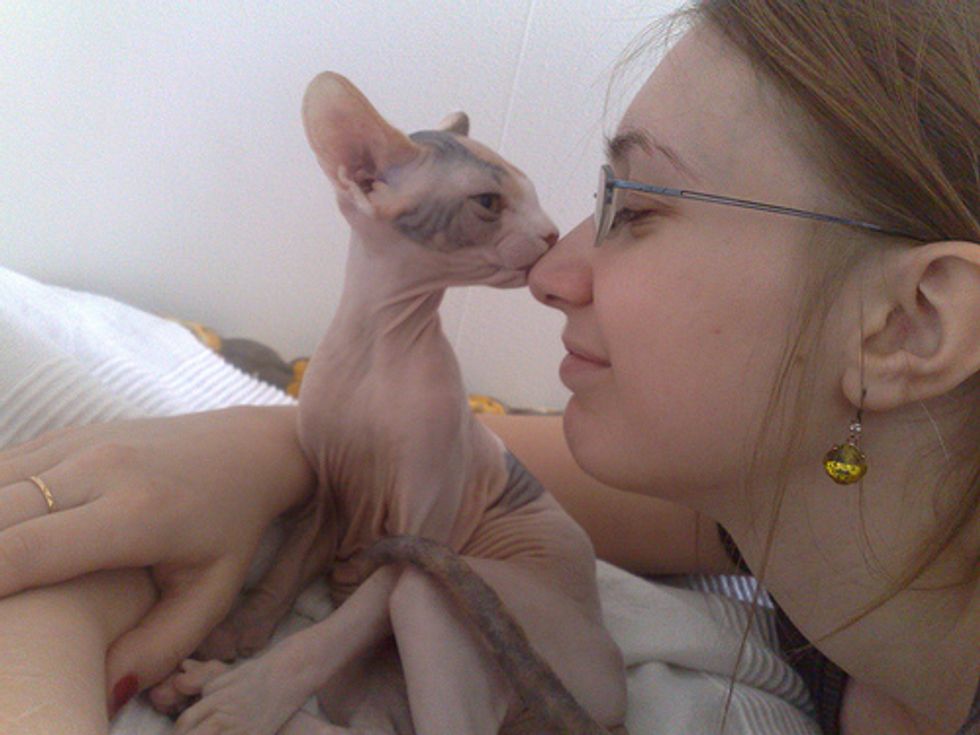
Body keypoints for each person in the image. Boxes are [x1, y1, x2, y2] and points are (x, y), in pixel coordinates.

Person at [0, 1, 977, 733]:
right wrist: (255, 452)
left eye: (637, 208)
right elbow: (461, 460)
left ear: (908, 326)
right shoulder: (798, 520)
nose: (550, 271)